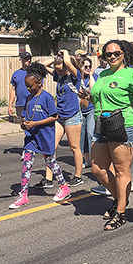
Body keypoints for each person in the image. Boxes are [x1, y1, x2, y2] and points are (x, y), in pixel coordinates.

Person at [88, 40, 133, 231]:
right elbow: (96, 97)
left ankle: (121, 212)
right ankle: (119, 199)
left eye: (116, 53)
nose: (113, 57)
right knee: (97, 169)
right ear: (104, 56)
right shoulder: (102, 74)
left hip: (124, 124)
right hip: (101, 124)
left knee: (120, 171)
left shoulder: (132, 73)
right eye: (108, 54)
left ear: (123, 54)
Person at [9, 62, 71, 209]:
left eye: (30, 86)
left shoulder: (47, 97)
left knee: (50, 162)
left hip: (45, 135)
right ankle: (23, 195)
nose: (28, 89)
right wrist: (22, 122)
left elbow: (54, 116)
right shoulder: (29, 98)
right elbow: (26, 115)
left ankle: (63, 186)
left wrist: (35, 124)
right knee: (27, 164)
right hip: (31, 137)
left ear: (40, 82)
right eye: (26, 86)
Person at [40, 50, 84, 188]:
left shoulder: (76, 76)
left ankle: (78, 176)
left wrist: (65, 53)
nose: (57, 72)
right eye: (56, 70)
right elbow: (41, 66)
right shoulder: (58, 77)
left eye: (60, 70)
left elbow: (67, 62)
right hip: (60, 117)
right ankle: (48, 178)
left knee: (74, 147)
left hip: (72, 116)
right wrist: (55, 60)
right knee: (50, 147)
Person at [8, 52, 32, 118]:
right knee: (22, 125)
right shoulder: (16, 74)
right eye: (26, 59)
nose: (29, 60)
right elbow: (13, 90)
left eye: (29, 58)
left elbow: (41, 88)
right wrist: (10, 105)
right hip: (20, 104)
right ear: (21, 60)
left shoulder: (34, 72)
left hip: (33, 103)